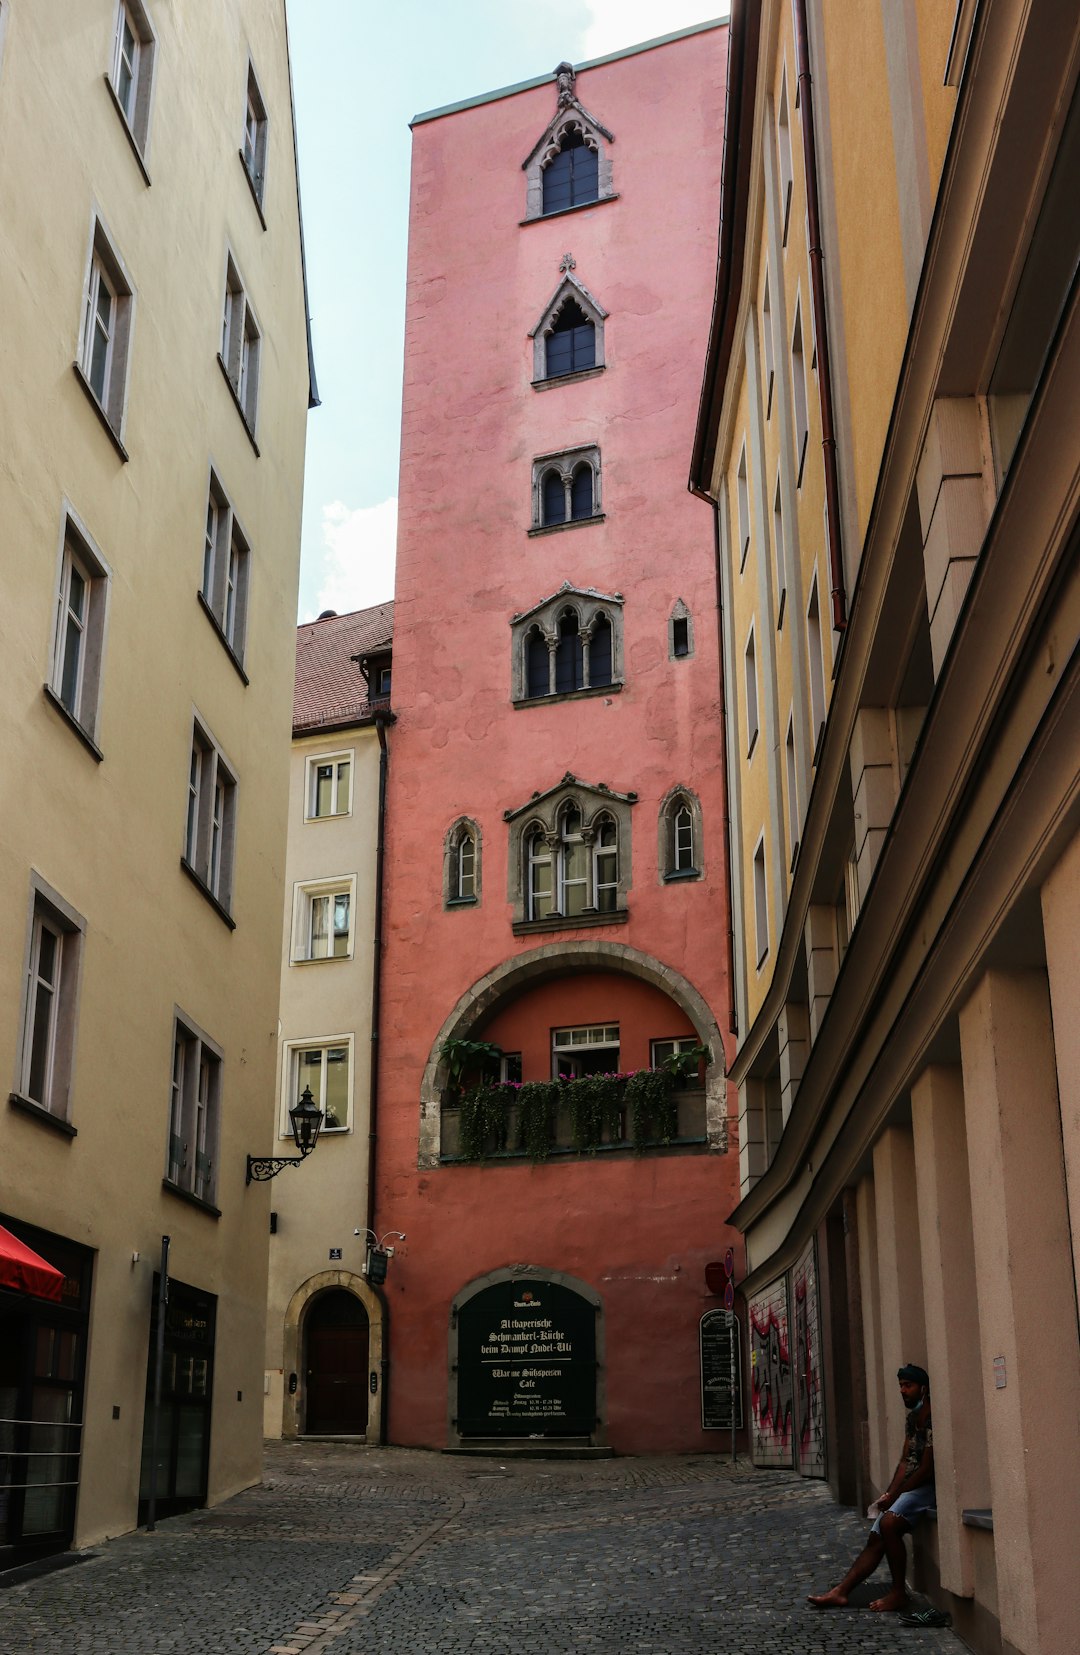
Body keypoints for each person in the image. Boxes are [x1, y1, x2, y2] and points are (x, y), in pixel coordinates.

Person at [808, 1363, 935, 1614]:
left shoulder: (931, 1418)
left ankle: (898, 1593)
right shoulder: (912, 1419)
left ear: (923, 1388)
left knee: (889, 1524)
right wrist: (889, 1494)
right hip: (910, 1488)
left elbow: (926, 1469)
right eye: (900, 1386)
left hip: (928, 1487)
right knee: (876, 1536)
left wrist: (897, 1496)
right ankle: (841, 1592)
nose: (902, 1391)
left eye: (908, 1386)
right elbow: (904, 1462)